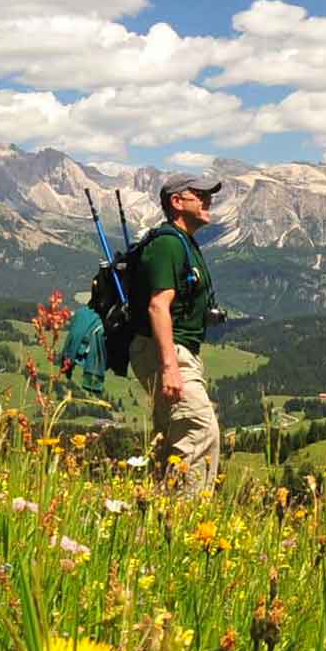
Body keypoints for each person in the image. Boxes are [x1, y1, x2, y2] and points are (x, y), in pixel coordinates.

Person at [131, 174, 224, 493]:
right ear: (176, 202)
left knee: (172, 437)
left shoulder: (184, 241)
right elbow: (158, 306)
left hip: (176, 350)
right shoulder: (168, 243)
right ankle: (183, 515)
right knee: (199, 430)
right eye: (199, 195)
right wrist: (169, 366)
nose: (207, 200)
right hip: (168, 351)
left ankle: (153, 515)